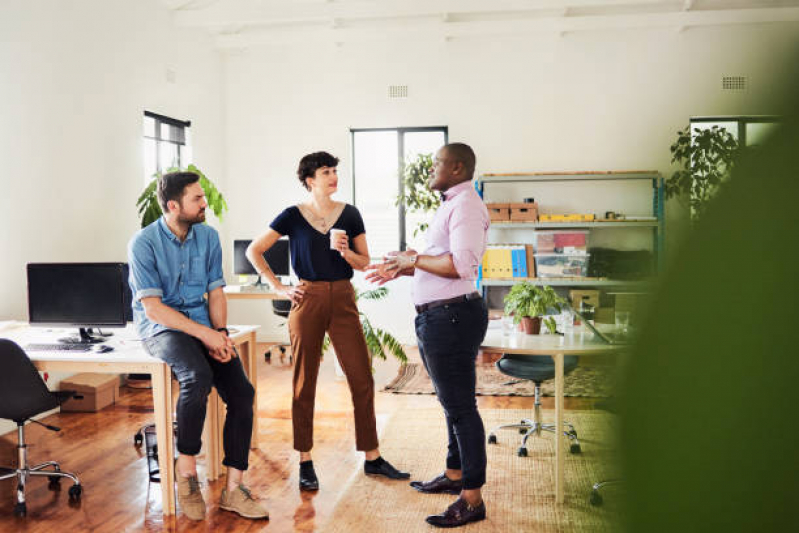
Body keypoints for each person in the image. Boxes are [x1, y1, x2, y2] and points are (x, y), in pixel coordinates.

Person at [246, 151, 409, 492]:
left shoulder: (350, 214)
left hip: (344, 296)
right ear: (310, 179)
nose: (333, 176)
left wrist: (346, 253)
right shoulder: (292, 215)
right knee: (305, 380)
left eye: (335, 170)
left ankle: (373, 456)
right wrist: (279, 287)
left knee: (361, 376)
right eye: (326, 171)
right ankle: (305, 459)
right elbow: (254, 250)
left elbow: (364, 263)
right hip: (308, 297)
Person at [128, 171, 268, 521]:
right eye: (197, 199)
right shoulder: (143, 243)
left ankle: (234, 489)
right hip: (161, 327)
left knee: (241, 392)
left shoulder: (208, 237)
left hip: (204, 324)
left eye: (203, 197)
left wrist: (219, 332)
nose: (205, 203)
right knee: (197, 376)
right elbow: (154, 308)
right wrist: (205, 335)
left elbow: (216, 292)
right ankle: (186, 471)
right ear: (174, 205)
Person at [365, 142, 490, 528]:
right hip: (441, 317)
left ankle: (472, 498)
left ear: (456, 168)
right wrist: (404, 266)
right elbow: (442, 261)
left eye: (437, 163)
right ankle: (455, 476)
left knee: (461, 409)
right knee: (452, 404)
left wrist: (414, 260)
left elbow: (462, 264)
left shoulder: (466, 205)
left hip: (451, 318)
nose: (431, 169)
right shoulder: (453, 202)